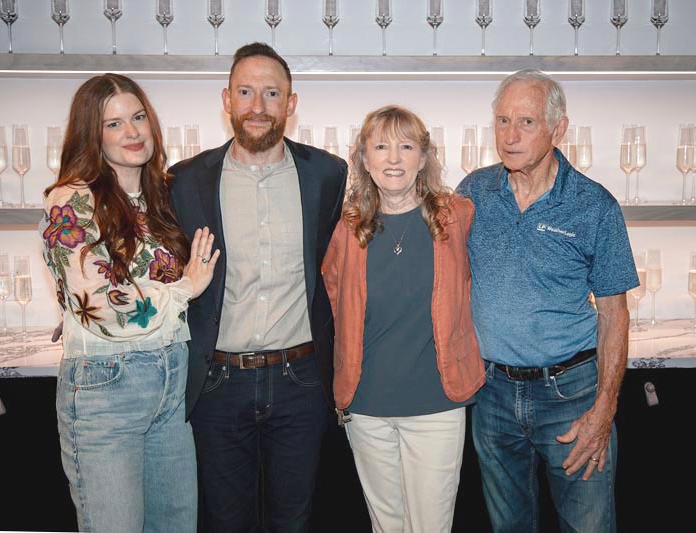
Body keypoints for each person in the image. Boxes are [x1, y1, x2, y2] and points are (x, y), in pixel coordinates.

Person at [168, 42, 348, 532]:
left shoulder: (328, 174)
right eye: (245, 92)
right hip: (217, 384)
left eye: (272, 93)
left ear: (291, 103)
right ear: (226, 100)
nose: (258, 106)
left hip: (301, 380)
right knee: (227, 522)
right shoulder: (184, 181)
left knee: (294, 520)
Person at [456, 69, 639, 533]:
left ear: (558, 129)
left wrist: (604, 410)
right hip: (492, 394)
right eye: (502, 121)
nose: (509, 135)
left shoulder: (595, 206)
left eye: (526, 122)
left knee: (588, 526)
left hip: (571, 396)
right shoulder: (473, 193)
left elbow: (614, 315)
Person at [40, 73, 219, 532]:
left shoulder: (160, 195)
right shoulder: (72, 199)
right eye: (114, 124)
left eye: (138, 117)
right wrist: (185, 288)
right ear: (92, 134)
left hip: (172, 383)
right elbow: (99, 304)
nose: (133, 132)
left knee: (176, 526)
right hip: (107, 389)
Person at [322, 105, 485, 532]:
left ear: (423, 157)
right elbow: (331, 300)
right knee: (386, 526)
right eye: (381, 147)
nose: (393, 159)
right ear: (364, 158)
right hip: (366, 407)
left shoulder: (457, 217)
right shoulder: (347, 228)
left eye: (406, 147)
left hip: (436, 406)